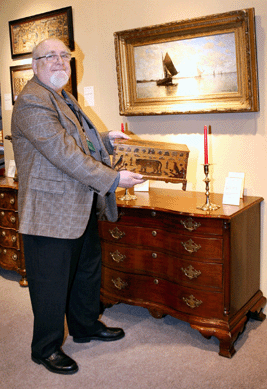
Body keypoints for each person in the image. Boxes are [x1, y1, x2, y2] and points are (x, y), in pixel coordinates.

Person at [11, 38, 145, 375]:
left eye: (64, 56)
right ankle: (44, 348)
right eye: (50, 57)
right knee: (51, 284)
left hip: (80, 203)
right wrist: (113, 180)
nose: (59, 62)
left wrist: (104, 140)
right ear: (34, 64)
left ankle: (85, 327)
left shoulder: (63, 96)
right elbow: (63, 153)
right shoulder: (31, 101)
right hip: (50, 213)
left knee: (87, 272)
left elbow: (77, 140)